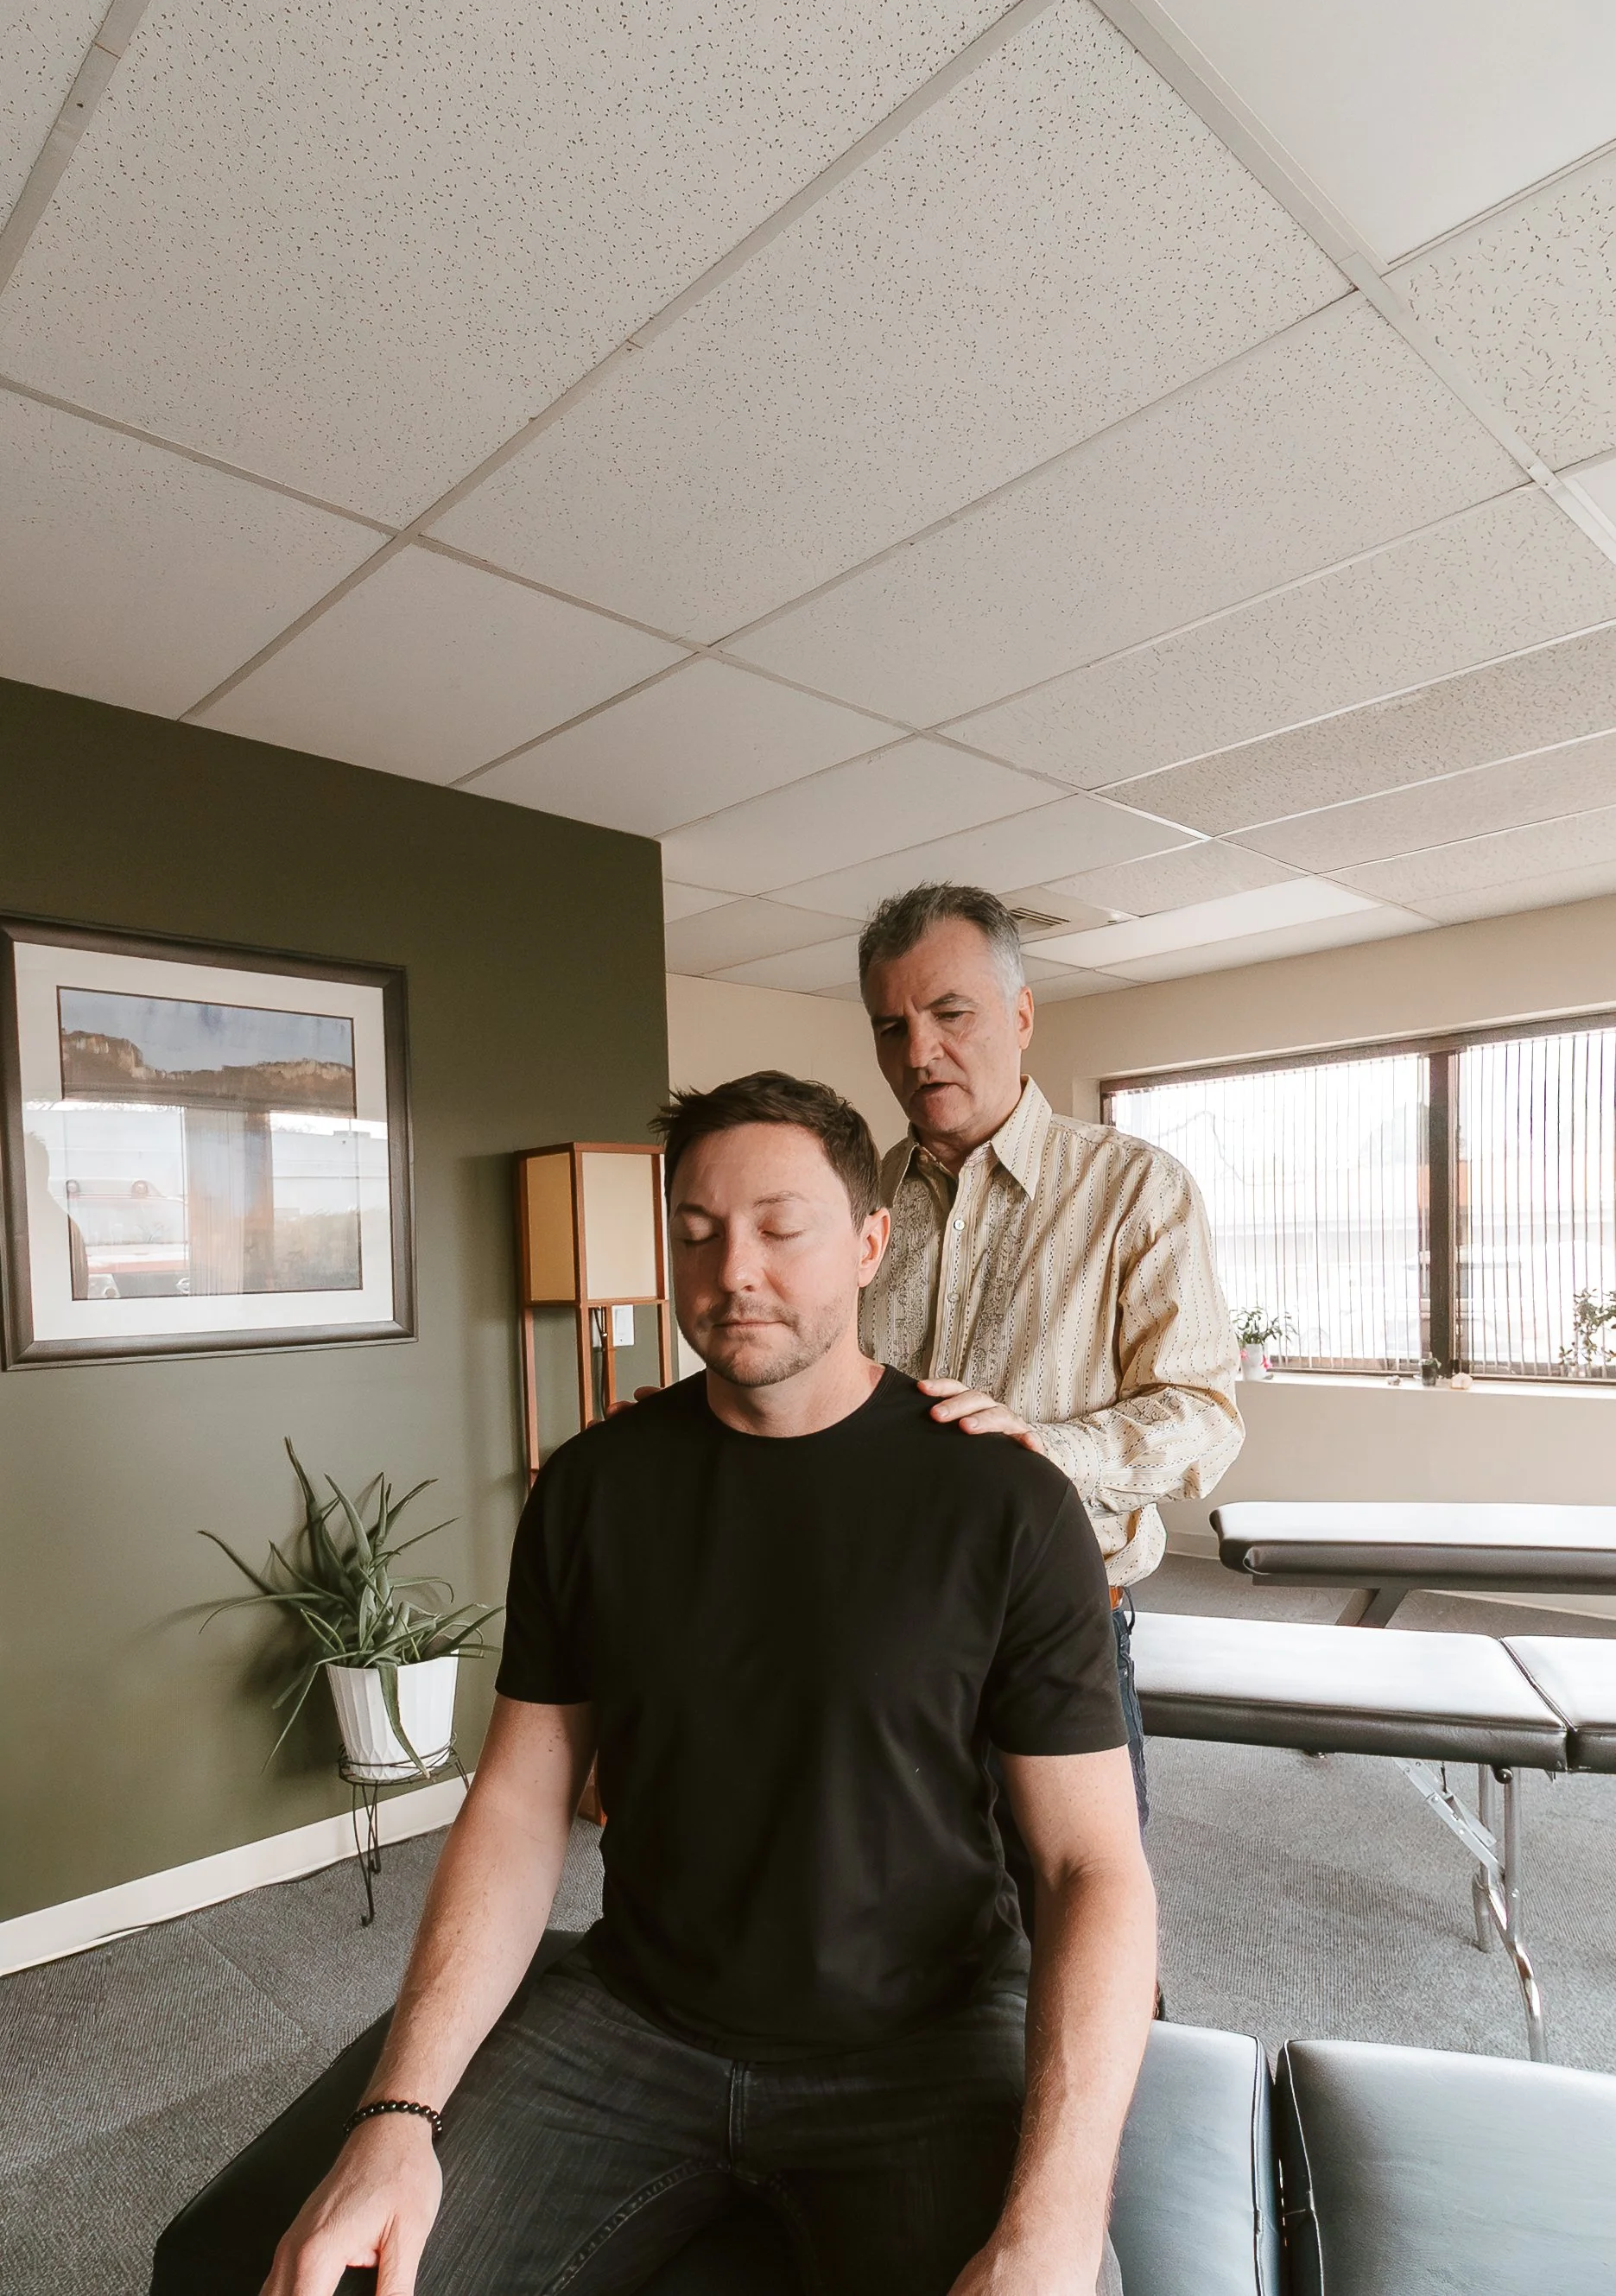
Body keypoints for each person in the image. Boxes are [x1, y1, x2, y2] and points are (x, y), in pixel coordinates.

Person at [264, 1071, 1155, 2296]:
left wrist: (1051, 2223)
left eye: (780, 1228)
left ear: (866, 1242)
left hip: (919, 2046)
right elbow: (521, 1806)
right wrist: (397, 2112)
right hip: (633, 2025)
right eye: (694, 1230)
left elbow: (1089, 1867)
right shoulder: (590, 1489)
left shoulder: (1002, 1502)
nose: (732, 1267)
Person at [858, 884, 1243, 1847]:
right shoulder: (851, 1202)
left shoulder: (1134, 1189)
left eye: (951, 1014)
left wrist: (1040, 1447)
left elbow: (1202, 1416)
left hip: (1051, 1632)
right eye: (889, 1025)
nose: (917, 1053)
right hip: (869, 1633)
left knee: (1078, 1928)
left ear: (1020, 1015)